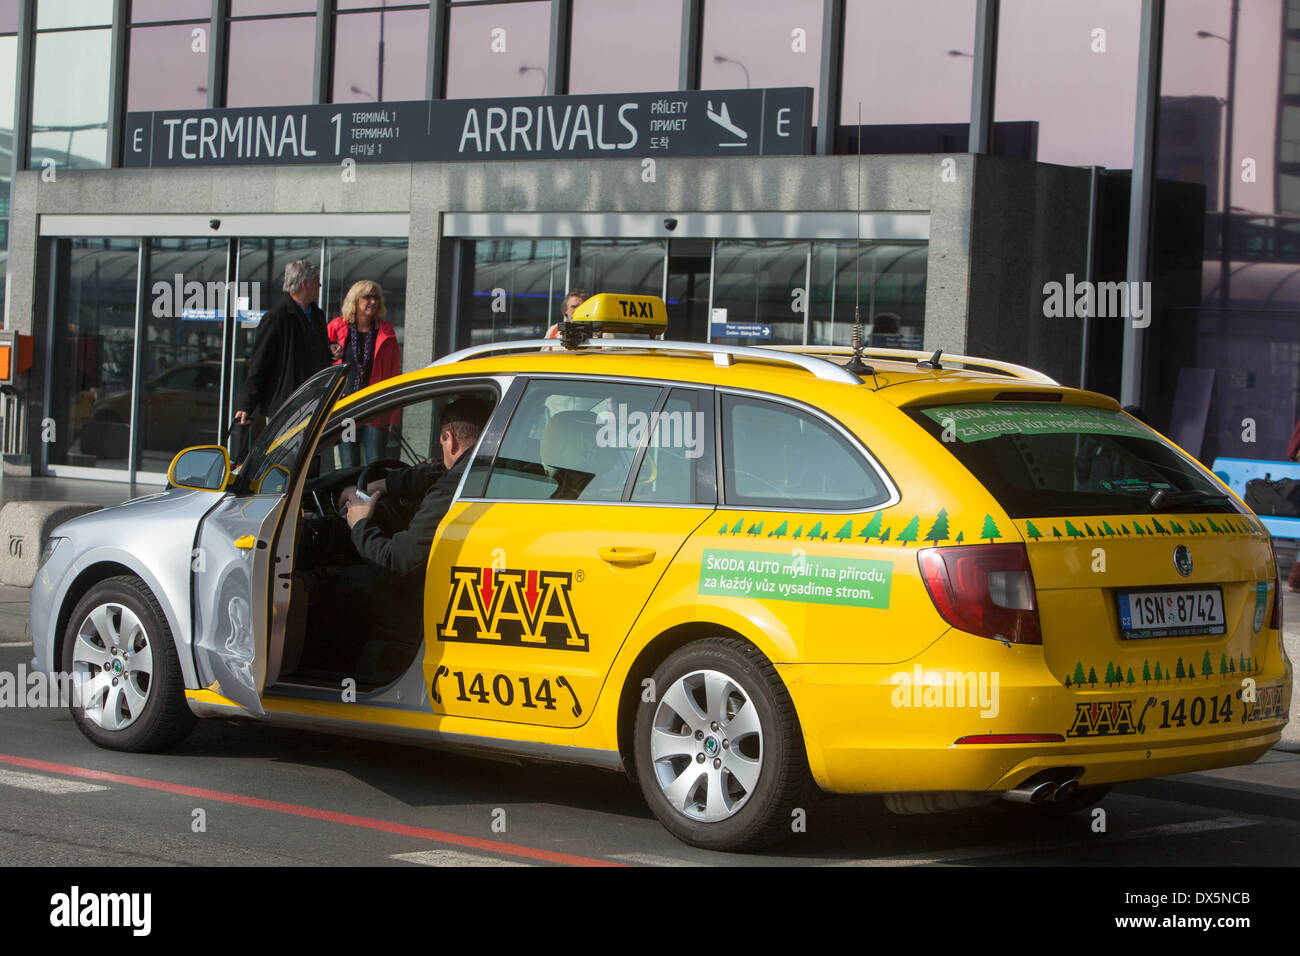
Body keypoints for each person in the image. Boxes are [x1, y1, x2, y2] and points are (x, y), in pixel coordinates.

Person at [341, 395, 492, 584]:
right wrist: (376, 486)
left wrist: (360, 524)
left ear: (449, 439)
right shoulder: (495, 467)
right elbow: (436, 471)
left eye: (441, 444)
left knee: (348, 580)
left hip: (427, 599)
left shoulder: (451, 490)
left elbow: (396, 563)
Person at [234, 259, 332, 429]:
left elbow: (318, 351)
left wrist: (331, 349)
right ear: (305, 284)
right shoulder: (277, 317)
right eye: (317, 281)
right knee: (286, 454)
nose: (320, 285)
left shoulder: (317, 315)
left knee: (312, 454)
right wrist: (246, 405)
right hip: (286, 405)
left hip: (314, 402)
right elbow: (260, 362)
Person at [328, 280, 401, 466]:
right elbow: (323, 364)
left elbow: (394, 374)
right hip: (347, 410)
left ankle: (374, 496)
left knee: (375, 464)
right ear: (354, 300)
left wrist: (394, 415)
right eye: (367, 297)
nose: (373, 301)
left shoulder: (386, 332)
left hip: (375, 409)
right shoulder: (337, 328)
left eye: (376, 297)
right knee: (348, 464)